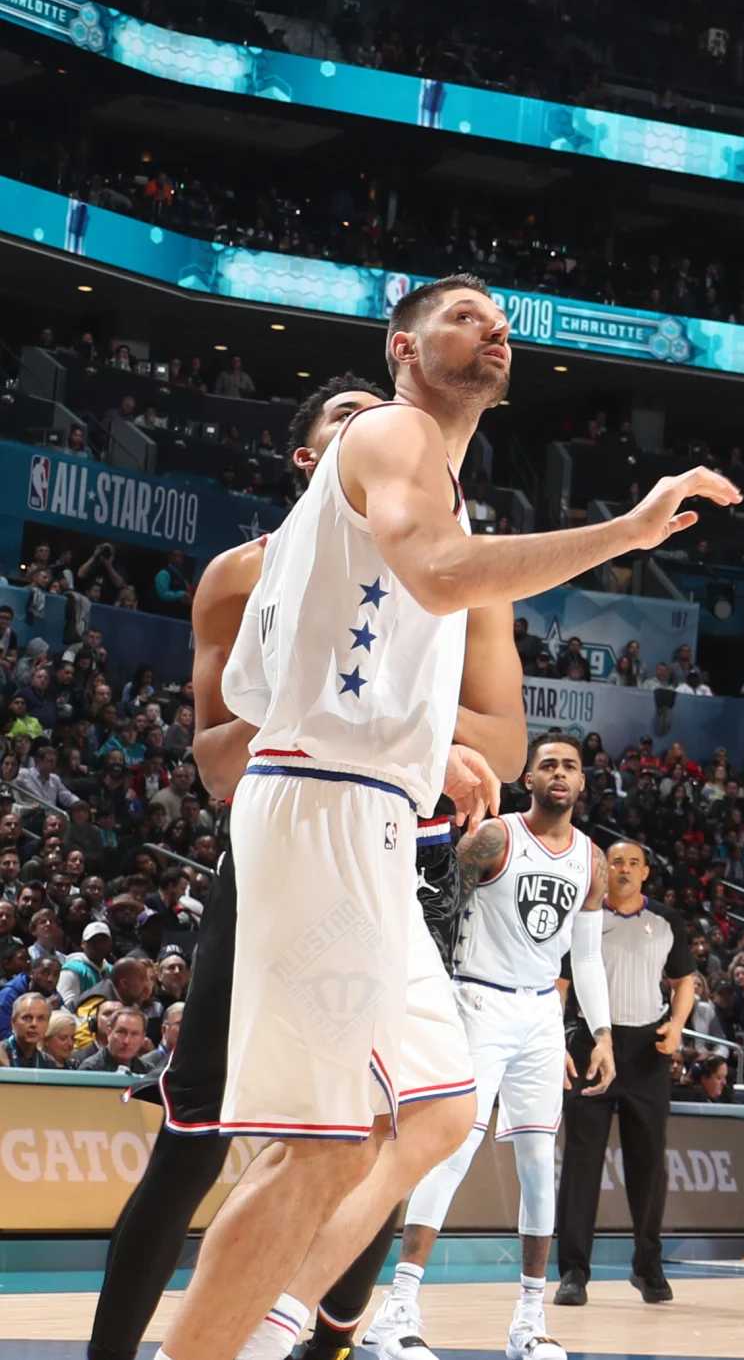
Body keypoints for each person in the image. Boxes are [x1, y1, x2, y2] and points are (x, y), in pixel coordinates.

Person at [150, 276, 735, 1360]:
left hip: (362, 808)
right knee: (314, 1151)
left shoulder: (405, 479)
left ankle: (274, 1327)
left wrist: (428, 749)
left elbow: (255, 683)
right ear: (403, 347)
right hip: (324, 813)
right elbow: (434, 573)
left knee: (438, 1111)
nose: (493, 327)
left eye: (501, 319)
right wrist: (631, 527)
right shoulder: (392, 431)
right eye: (464, 315)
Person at [88, 374, 520, 1360]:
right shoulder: (242, 574)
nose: (383, 434)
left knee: (396, 1124)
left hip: (397, 862)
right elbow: (213, 759)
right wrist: (346, 709)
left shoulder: (451, 573)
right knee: (199, 1131)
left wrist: (409, 733)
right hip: (286, 848)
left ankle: (296, 1335)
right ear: (308, 457)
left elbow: (502, 743)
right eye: (353, 419)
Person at [365, 733, 614, 1360]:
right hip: (476, 1000)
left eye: (571, 767)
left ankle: (528, 1322)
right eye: (548, 765)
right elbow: (438, 905)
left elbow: (584, 955)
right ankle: (396, 1311)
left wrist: (600, 1032)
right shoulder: (497, 837)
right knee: (450, 1153)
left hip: (538, 1016)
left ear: (583, 784)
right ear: (527, 778)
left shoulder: (592, 861)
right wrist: (429, 995)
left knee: (537, 1166)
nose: (559, 774)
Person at [554, 839, 698, 1308]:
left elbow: (684, 982)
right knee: (581, 1164)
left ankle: (648, 1265)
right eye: (617, 861)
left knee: (649, 1165)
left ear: (646, 873)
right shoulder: (584, 918)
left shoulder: (666, 921)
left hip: (646, 1050)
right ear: (604, 868)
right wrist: (557, 1038)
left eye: (634, 862)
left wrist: (677, 1027)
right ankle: (573, 1273)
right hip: (591, 1044)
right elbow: (561, 984)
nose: (624, 869)